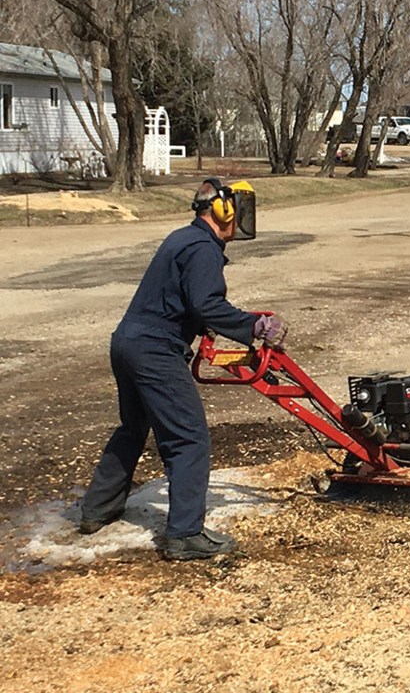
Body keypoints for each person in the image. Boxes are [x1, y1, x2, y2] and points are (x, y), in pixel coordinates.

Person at [79, 178, 287, 561]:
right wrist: (253, 326)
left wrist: (212, 323)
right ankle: (185, 534)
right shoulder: (203, 248)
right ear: (224, 212)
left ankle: (97, 510)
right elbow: (206, 303)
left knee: (133, 428)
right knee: (189, 438)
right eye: (239, 211)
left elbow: (184, 301)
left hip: (127, 343)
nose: (241, 220)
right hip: (155, 351)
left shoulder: (181, 238)